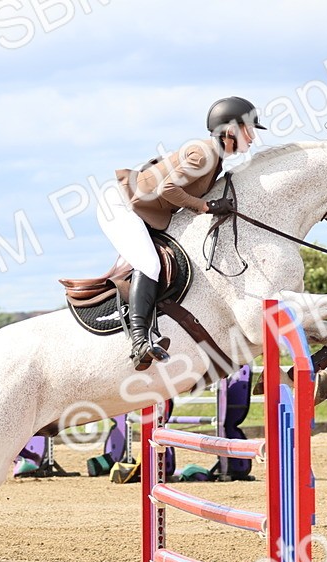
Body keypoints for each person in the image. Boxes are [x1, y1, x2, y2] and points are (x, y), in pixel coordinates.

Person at [100, 96, 266, 370]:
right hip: (120, 205)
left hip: (144, 208)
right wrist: (207, 206)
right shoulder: (205, 153)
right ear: (231, 130)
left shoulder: (216, 157)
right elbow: (168, 189)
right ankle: (140, 341)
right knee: (149, 263)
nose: (253, 138)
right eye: (249, 130)